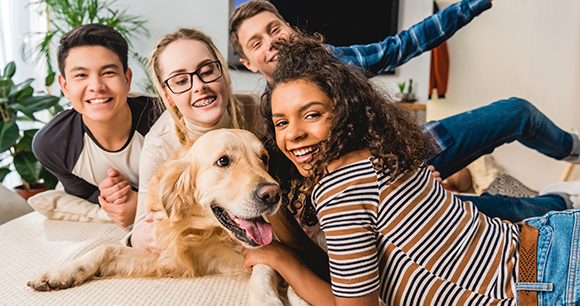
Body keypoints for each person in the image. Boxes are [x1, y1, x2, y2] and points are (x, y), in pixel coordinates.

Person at [243, 33, 580, 306]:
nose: (293, 133)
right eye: (281, 122)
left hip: (550, 281)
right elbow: (350, 272)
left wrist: (281, 260)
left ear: (342, 111)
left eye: (312, 114)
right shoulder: (380, 151)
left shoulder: (338, 188)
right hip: (550, 246)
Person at [229, 0, 580, 222]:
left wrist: (469, 5)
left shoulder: (340, 60)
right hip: (377, 189)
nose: (271, 41)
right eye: (256, 42)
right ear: (248, 61)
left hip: (410, 146)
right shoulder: (274, 117)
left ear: (289, 27)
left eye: (274, 28)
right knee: (490, 210)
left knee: (515, 111)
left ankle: (572, 149)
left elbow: (402, 45)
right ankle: (563, 202)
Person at [127, 29, 329, 280]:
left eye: (207, 71)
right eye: (181, 81)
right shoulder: (159, 143)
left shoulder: (266, 112)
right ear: (168, 96)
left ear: (224, 74)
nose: (199, 86)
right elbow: (141, 225)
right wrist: (142, 235)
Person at [32, 24, 161, 228]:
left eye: (108, 72)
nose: (96, 87)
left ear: (127, 79)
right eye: (81, 75)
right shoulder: (52, 144)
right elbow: (85, 194)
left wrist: (142, 204)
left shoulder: (162, 118)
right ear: (65, 86)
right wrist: (110, 196)